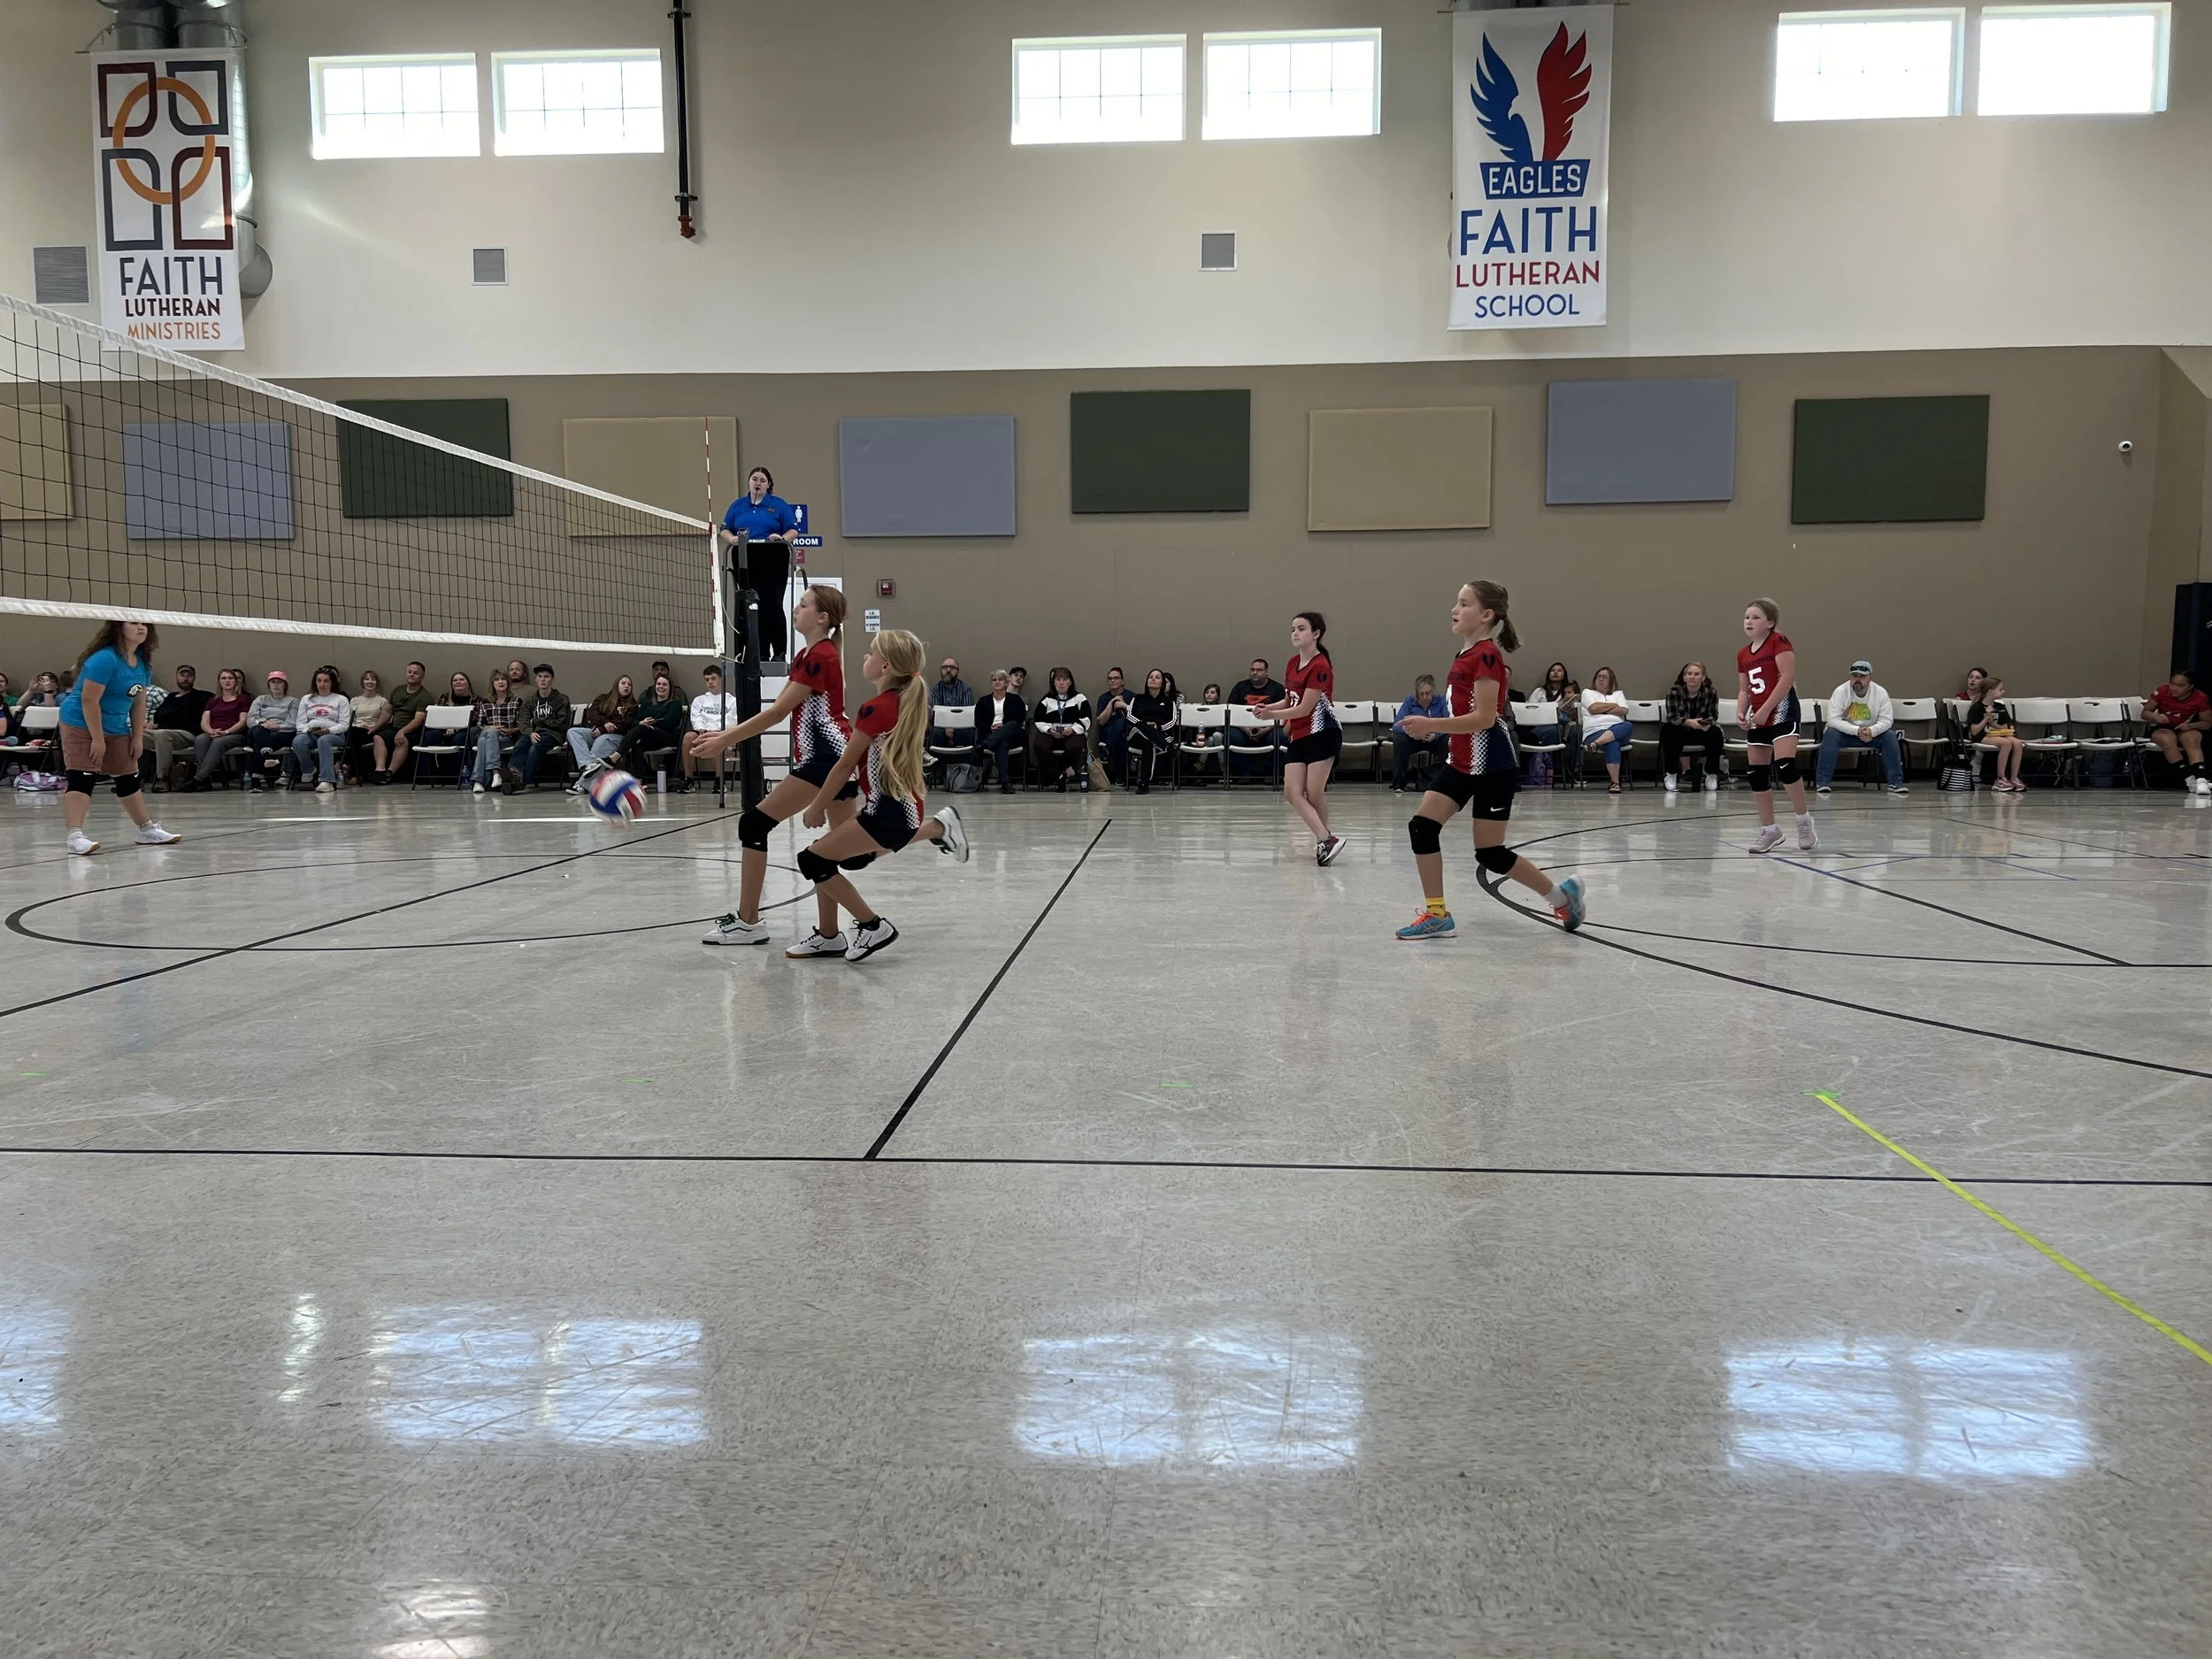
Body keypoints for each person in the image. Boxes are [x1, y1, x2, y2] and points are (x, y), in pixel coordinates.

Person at [1395, 582, 1583, 941]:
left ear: (1486, 615)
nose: (1455, 608)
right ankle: (1437, 914)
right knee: (1422, 827)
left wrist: (1431, 724)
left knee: (1491, 853)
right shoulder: (1465, 653)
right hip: (1461, 761)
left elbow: (1484, 717)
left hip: (1493, 764)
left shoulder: (1486, 655)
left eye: (1464, 603)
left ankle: (1562, 897)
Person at [692, 587, 864, 951]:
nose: (796, 610)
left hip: (827, 758)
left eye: (803, 605)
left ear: (822, 618)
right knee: (835, 851)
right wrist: (726, 734)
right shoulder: (812, 654)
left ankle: (748, 921)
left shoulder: (819, 655)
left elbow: (777, 712)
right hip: (837, 756)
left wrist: (726, 740)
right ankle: (831, 937)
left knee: (754, 824)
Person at [787, 628, 970, 963]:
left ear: (886, 667)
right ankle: (937, 828)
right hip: (898, 811)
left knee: (812, 859)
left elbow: (845, 765)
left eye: (871, 653)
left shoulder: (876, 708)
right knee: (842, 859)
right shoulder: (905, 701)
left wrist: (817, 806)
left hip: (888, 814)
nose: (865, 658)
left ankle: (873, 927)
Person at [54, 620, 181, 855]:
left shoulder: (142, 663)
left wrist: (137, 737)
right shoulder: (104, 659)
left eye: (145, 624)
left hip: (115, 724)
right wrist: (97, 739)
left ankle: (146, 830)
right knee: (82, 777)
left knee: (128, 777)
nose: (141, 627)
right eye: (134, 623)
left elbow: (139, 701)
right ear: (118, 628)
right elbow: (88, 701)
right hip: (81, 721)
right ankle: (74, 836)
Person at [1250, 612, 1345, 865]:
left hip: (1323, 734)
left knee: (1314, 794)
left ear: (1316, 634)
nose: (1295, 633)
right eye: (1293, 628)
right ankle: (1325, 838)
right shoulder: (1293, 662)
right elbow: (1291, 699)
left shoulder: (1321, 666)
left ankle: (1325, 841)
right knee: (1292, 792)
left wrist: (1272, 714)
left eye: (1301, 628)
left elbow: (1305, 708)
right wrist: (1267, 707)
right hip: (1299, 735)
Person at [1738, 598, 1816, 852]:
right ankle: (1770, 830)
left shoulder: (1778, 641)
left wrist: (1765, 711)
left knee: (1785, 765)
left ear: (1770, 622)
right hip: (1759, 715)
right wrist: (1742, 711)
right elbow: (1744, 689)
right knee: (1756, 773)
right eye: (1747, 617)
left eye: (1756, 617)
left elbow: (1787, 677)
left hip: (1782, 710)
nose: (1749, 621)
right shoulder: (1742, 654)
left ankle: (1804, 821)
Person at [719, 466, 800, 661]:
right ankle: (760, 652)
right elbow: (724, 529)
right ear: (749, 482)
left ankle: (779, 652)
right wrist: (731, 539)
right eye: (755, 479)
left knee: (773, 604)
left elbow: (793, 531)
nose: (758, 483)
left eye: (763, 480)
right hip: (746, 556)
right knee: (752, 606)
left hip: (772, 555)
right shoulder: (738, 506)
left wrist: (781, 537)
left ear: (769, 485)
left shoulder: (778, 505)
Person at [1816, 658, 1908, 796]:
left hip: (1870, 734)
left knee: (1889, 736)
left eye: (1862, 676)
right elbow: (1833, 719)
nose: (1858, 680)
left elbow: (1887, 720)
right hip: (1845, 734)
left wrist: (1872, 730)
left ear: (1870, 678)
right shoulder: (1841, 691)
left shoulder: (1880, 693)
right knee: (1830, 734)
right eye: (1855, 676)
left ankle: (1896, 783)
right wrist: (1856, 730)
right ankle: (1822, 782)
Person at [142, 664, 210, 791]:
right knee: (131, 734)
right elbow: (159, 716)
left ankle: (162, 778)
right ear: (176, 677)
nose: (185, 679)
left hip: (187, 734)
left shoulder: (202, 697)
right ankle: (128, 776)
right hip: (162, 732)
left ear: (194, 678)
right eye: (182, 675)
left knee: (162, 735)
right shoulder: (170, 697)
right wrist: (151, 725)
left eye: (189, 676)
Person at [507, 664, 573, 793]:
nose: (543, 680)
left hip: (553, 735)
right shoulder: (530, 700)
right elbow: (523, 722)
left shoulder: (561, 699)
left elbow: (560, 723)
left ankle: (522, 782)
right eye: (540, 677)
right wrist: (530, 732)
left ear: (552, 679)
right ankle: (514, 774)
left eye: (546, 677)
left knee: (535, 748)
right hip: (533, 733)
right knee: (521, 744)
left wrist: (536, 721)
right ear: (536, 679)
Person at [2142, 668, 2210, 794]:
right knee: (2167, 740)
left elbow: (2207, 723)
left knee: (2191, 739)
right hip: (2164, 727)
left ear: (2190, 687)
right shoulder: (2162, 691)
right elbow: (2145, 713)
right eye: (2172, 684)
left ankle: (2201, 778)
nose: (2174, 688)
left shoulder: (2200, 697)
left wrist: (2190, 726)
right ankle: (2188, 778)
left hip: (2186, 728)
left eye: (2180, 686)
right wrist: (2156, 716)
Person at [183, 668, 251, 790]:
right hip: (214, 732)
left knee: (218, 742)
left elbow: (243, 721)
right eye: (224, 678)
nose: (227, 681)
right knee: (200, 740)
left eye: (230, 678)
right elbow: (204, 721)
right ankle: (205, 781)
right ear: (219, 682)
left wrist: (226, 732)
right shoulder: (213, 700)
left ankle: (198, 779)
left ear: (236, 682)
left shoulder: (243, 699)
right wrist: (211, 731)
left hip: (235, 734)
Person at [1661, 662, 1722, 795]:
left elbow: (1713, 715)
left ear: (1703, 677)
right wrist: (1688, 722)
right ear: (1684, 677)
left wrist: (1706, 724)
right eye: (1689, 674)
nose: (1692, 677)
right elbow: (1672, 716)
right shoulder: (1674, 692)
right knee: (1668, 730)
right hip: (1681, 729)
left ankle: (1711, 773)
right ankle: (1671, 774)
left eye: (1696, 674)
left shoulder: (1710, 692)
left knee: (1716, 732)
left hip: (1701, 729)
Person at [288, 666, 352, 794]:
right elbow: (299, 723)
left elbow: (345, 724)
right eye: (319, 681)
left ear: (332, 683)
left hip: (334, 735)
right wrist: (308, 730)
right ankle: (309, 768)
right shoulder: (307, 699)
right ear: (315, 682)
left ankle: (326, 780)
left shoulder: (341, 699)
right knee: (298, 741)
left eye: (326, 681)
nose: (322, 684)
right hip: (311, 733)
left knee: (324, 740)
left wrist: (329, 730)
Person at [567, 674, 640, 786]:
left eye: (629, 684)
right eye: (623, 683)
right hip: (596, 731)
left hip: (615, 736)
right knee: (573, 732)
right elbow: (592, 714)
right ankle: (589, 765)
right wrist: (604, 724)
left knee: (600, 742)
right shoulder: (603, 698)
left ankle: (581, 785)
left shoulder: (632, 706)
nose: (627, 686)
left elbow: (624, 725)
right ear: (616, 685)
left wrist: (603, 730)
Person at [1029, 668, 1091, 791]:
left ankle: (1052, 775)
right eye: (1058, 680)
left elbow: (1086, 718)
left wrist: (1073, 729)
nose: (1061, 683)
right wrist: (1048, 729)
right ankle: (1061, 774)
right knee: (1039, 745)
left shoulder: (1080, 698)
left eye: (1065, 679)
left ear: (1070, 682)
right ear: (1054, 683)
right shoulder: (1047, 699)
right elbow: (1038, 719)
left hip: (1072, 731)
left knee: (1076, 746)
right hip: (1052, 731)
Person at [682, 664, 741, 790]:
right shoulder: (699, 700)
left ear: (720, 679)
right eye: (707, 679)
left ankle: (719, 780)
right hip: (702, 733)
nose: (710, 682)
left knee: (714, 738)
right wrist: (701, 728)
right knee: (688, 737)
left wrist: (714, 730)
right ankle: (689, 780)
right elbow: (696, 718)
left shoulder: (732, 701)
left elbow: (732, 721)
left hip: (722, 734)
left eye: (713, 678)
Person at [238, 671, 298, 791]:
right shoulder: (260, 700)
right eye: (273, 682)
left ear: (285, 685)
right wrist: (264, 723)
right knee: (258, 731)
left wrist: (277, 727)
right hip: (260, 729)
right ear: (269, 685)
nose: (276, 685)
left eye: (279, 682)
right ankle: (266, 757)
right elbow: (250, 721)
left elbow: (292, 724)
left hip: (281, 732)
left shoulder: (293, 702)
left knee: (258, 743)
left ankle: (256, 780)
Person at [621, 672, 687, 780]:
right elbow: (634, 723)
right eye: (659, 684)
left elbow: (668, 723)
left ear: (670, 688)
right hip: (645, 738)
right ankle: (638, 780)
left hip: (665, 737)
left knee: (641, 730)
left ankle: (615, 756)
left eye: (665, 685)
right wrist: (642, 724)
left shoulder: (675, 704)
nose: (661, 687)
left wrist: (648, 724)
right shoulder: (646, 704)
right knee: (637, 742)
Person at [1226, 657, 1286, 776]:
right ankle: (1245, 773)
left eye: (1259, 670)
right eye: (1252, 669)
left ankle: (1270, 774)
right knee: (1230, 736)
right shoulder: (1240, 687)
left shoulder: (1277, 689)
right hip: (1243, 728)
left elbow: (1283, 714)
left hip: (1270, 728)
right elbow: (1230, 711)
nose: (1254, 672)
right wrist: (1246, 730)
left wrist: (1266, 730)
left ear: (1266, 672)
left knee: (1280, 737)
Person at [1966, 676, 2026, 791]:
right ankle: (2000, 779)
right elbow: (1974, 731)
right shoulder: (1977, 708)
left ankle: (2014, 778)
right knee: (2006, 743)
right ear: (1990, 691)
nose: (2003, 691)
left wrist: (1994, 723)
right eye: (2000, 689)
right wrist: (1986, 719)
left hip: (1998, 734)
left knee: (2017, 743)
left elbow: (2005, 727)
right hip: (1982, 736)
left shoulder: (2000, 707)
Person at [1391, 674, 1448, 792]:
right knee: (1399, 741)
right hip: (1414, 739)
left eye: (1428, 693)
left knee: (1448, 740)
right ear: (1417, 693)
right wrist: (1413, 733)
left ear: (1433, 691)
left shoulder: (1441, 701)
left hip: (1433, 738)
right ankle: (1399, 783)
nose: (1425, 697)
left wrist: (1436, 735)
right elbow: (1397, 725)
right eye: (1421, 694)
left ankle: (1444, 781)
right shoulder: (1410, 701)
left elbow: (1448, 723)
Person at [972, 669, 1025, 794]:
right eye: (994, 680)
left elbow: (1019, 719)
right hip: (991, 733)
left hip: (1012, 736)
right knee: (1002, 743)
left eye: (1000, 679)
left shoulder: (1016, 700)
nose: (997, 682)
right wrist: (991, 727)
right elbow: (978, 722)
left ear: (1007, 683)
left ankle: (985, 745)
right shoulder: (983, 701)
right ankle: (1006, 783)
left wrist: (1003, 725)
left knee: (1012, 725)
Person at [1124, 669, 1177, 793]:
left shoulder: (1168, 702)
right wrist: (1145, 725)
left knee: (1149, 743)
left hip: (1159, 733)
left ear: (1162, 684)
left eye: (1157, 677)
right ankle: (1167, 747)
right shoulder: (1138, 698)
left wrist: (1157, 727)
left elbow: (1172, 721)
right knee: (1142, 728)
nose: (1153, 679)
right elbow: (1130, 717)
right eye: (1150, 677)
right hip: (1136, 733)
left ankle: (1144, 782)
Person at [468, 672, 521, 795]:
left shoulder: (516, 701)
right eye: (497, 680)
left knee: (482, 742)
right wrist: (491, 727)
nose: (501, 682)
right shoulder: (485, 702)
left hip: (506, 737)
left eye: (503, 679)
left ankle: (478, 781)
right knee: (489, 733)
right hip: (488, 734)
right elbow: (481, 724)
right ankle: (496, 773)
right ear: (493, 684)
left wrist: (510, 730)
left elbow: (521, 725)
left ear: (508, 683)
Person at [386, 662, 434, 782]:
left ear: (422, 677)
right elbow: (387, 711)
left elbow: (418, 720)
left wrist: (402, 731)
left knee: (403, 740)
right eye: (409, 672)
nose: (412, 675)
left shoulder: (424, 696)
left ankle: (389, 772)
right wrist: (375, 727)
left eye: (416, 673)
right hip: (394, 727)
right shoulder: (398, 690)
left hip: (413, 730)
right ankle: (380, 770)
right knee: (378, 737)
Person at [348, 669, 396, 783]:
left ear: (377, 683)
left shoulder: (382, 701)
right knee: (351, 735)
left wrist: (373, 727)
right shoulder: (355, 701)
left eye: (373, 679)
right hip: (356, 728)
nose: (370, 682)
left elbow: (385, 719)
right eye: (367, 679)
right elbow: (350, 718)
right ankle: (354, 771)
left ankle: (350, 770)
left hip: (373, 729)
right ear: (362, 682)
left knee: (352, 738)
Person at [1092, 667, 1133, 780]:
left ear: (1122, 681)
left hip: (1127, 729)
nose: (1113, 681)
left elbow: (1135, 717)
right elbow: (1101, 721)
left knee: (1121, 725)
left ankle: (1107, 750)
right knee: (1121, 739)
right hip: (1108, 731)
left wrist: (1123, 705)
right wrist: (1112, 702)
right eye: (1110, 679)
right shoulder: (1104, 698)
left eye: (1116, 678)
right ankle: (1121, 777)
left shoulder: (1131, 696)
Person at [928, 656, 973, 750]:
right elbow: (936, 715)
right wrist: (946, 729)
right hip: (940, 727)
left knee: (964, 732)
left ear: (958, 671)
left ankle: (963, 764)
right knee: (936, 732)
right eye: (945, 667)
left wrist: (953, 729)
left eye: (952, 667)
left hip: (961, 727)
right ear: (941, 670)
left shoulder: (966, 689)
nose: (948, 670)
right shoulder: (935, 690)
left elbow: (966, 715)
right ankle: (938, 764)